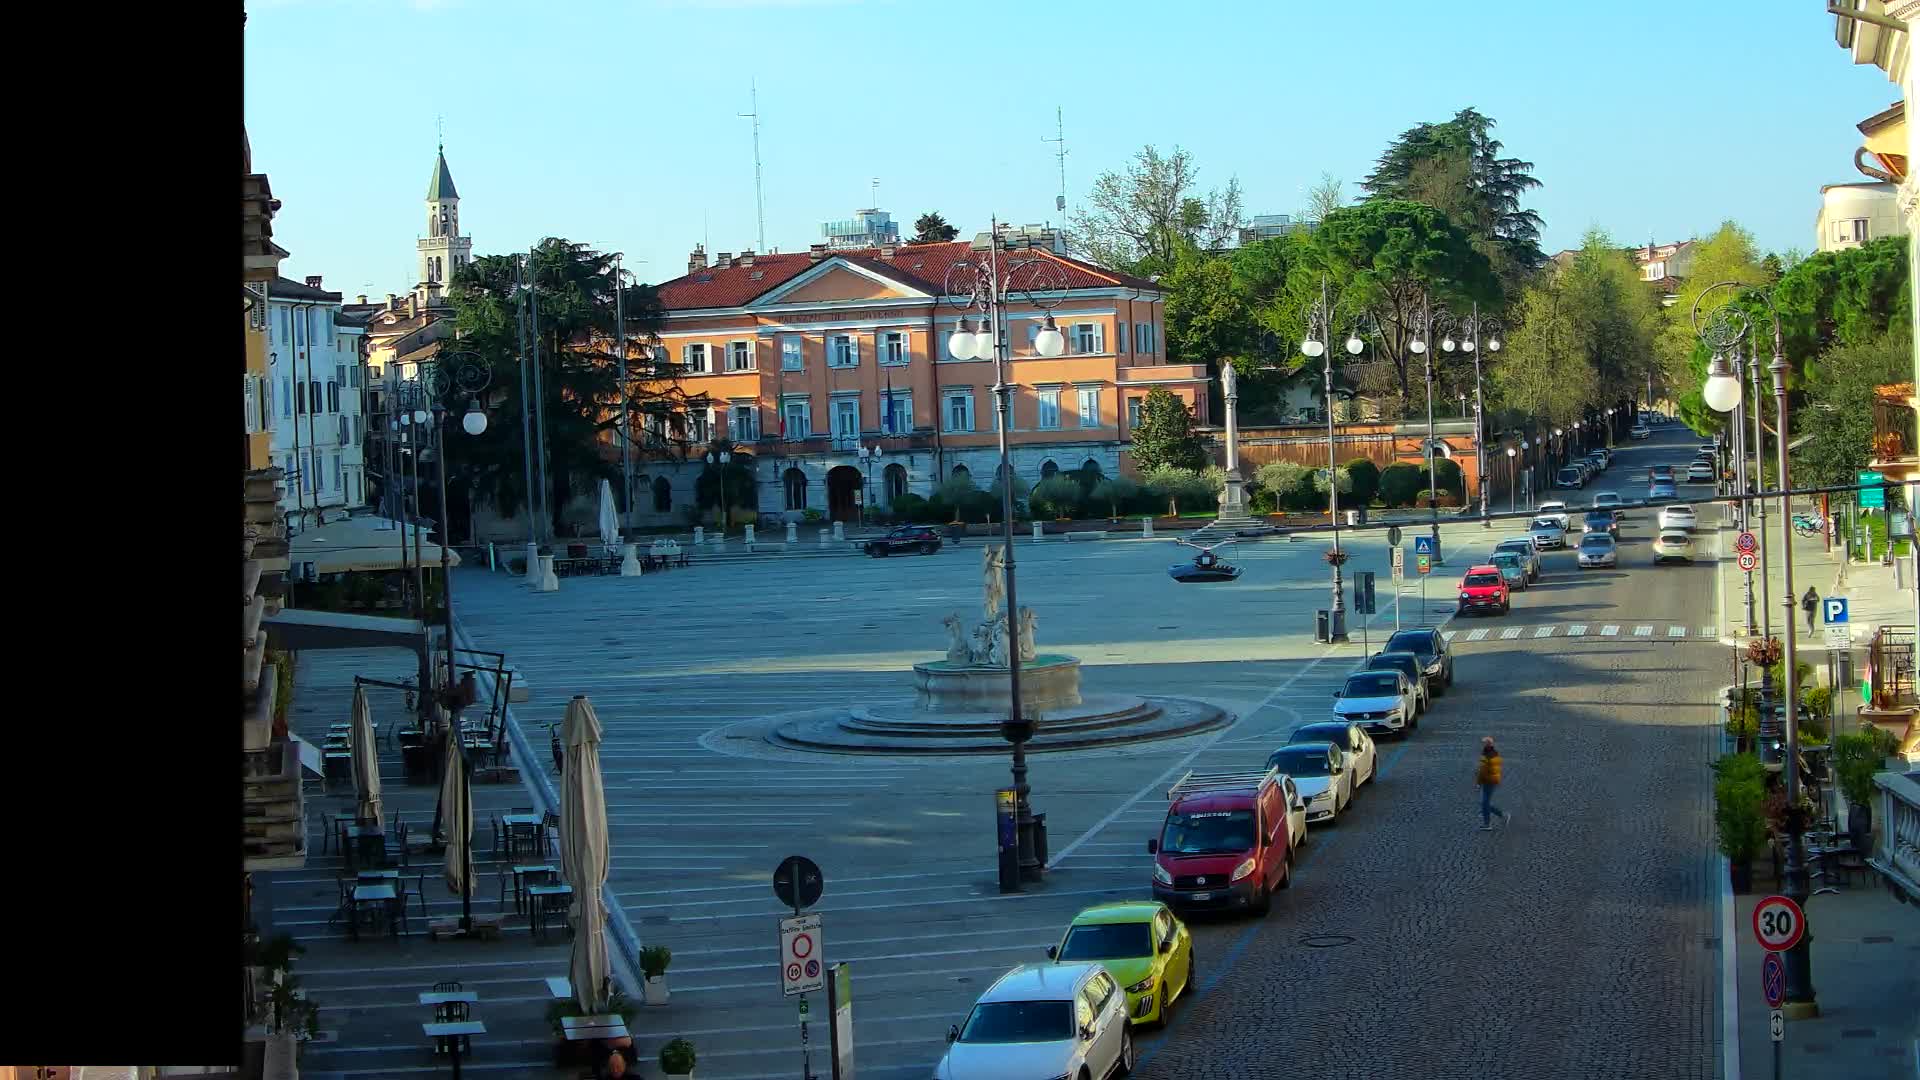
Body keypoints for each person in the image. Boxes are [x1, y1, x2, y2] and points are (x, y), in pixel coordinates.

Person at [1475, 737, 1509, 831]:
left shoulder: (1486, 756)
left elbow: (1482, 771)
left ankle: (1490, 822)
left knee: (1484, 803)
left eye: (1483, 743)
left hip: (1487, 781)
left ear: (1486, 745)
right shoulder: (1495, 754)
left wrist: (1478, 782)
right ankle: (1501, 816)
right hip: (1493, 780)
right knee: (1485, 803)